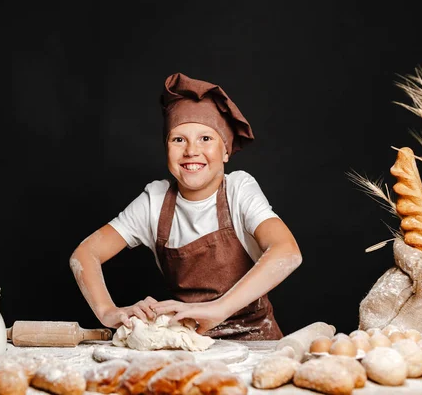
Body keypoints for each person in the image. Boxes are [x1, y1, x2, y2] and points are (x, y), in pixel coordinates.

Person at [69, 72, 302, 340]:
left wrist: (218, 309)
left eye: (206, 138)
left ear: (226, 151)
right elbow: (84, 254)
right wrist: (108, 312)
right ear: (166, 149)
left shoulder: (239, 190)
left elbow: (287, 252)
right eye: (178, 139)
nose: (191, 150)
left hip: (257, 343)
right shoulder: (154, 202)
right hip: (188, 343)